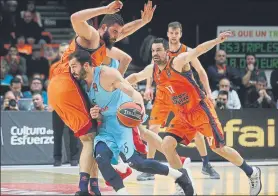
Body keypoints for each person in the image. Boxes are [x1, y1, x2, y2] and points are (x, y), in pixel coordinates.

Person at [126, 34, 262, 196]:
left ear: (167, 52)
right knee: (167, 144)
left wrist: (216, 40)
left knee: (219, 149)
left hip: (200, 110)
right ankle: (183, 183)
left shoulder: (177, 62)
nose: (155, 53)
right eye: (153, 50)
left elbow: (198, 50)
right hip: (183, 115)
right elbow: (135, 77)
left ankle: (252, 172)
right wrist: (115, 84)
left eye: (159, 50)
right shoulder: (153, 70)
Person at [47, 1, 156, 195]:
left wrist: (143, 21)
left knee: (95, 136)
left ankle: (94, 187)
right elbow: (75, 18)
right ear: (103, 27)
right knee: (90, 139)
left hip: (60, 88)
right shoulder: (93, 36)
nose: (117, 36)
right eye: (113, 32)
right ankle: (83, 189)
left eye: (117, 33)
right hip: (66, 85)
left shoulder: (104, 42)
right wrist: (105, 10)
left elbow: (124, 31)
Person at [69, 49, 195, 196]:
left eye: (74, 66)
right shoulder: (82, 86)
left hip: (123, 123)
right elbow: (98, 112)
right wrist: (95, 114)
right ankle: (122, 191)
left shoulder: (106, 74)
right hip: (106, 127)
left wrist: (140, 108)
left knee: (138, 163)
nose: (72, 71)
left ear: (85, 66)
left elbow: (132, 93)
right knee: (101, 159)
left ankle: (180, 175)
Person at [141, 21, 219, 180]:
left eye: (177, 33)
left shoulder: (186, 51)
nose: (174, 36)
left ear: (180, 34)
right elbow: (151, 69)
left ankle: (206, 164)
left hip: (181, 96)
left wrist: (209, 92)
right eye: (171, 33)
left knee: (196, 130)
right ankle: (150, 167)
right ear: (168, 34)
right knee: (152, 128)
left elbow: (201, 71)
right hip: (163, 95)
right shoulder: (161, 49)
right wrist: (149, 87)